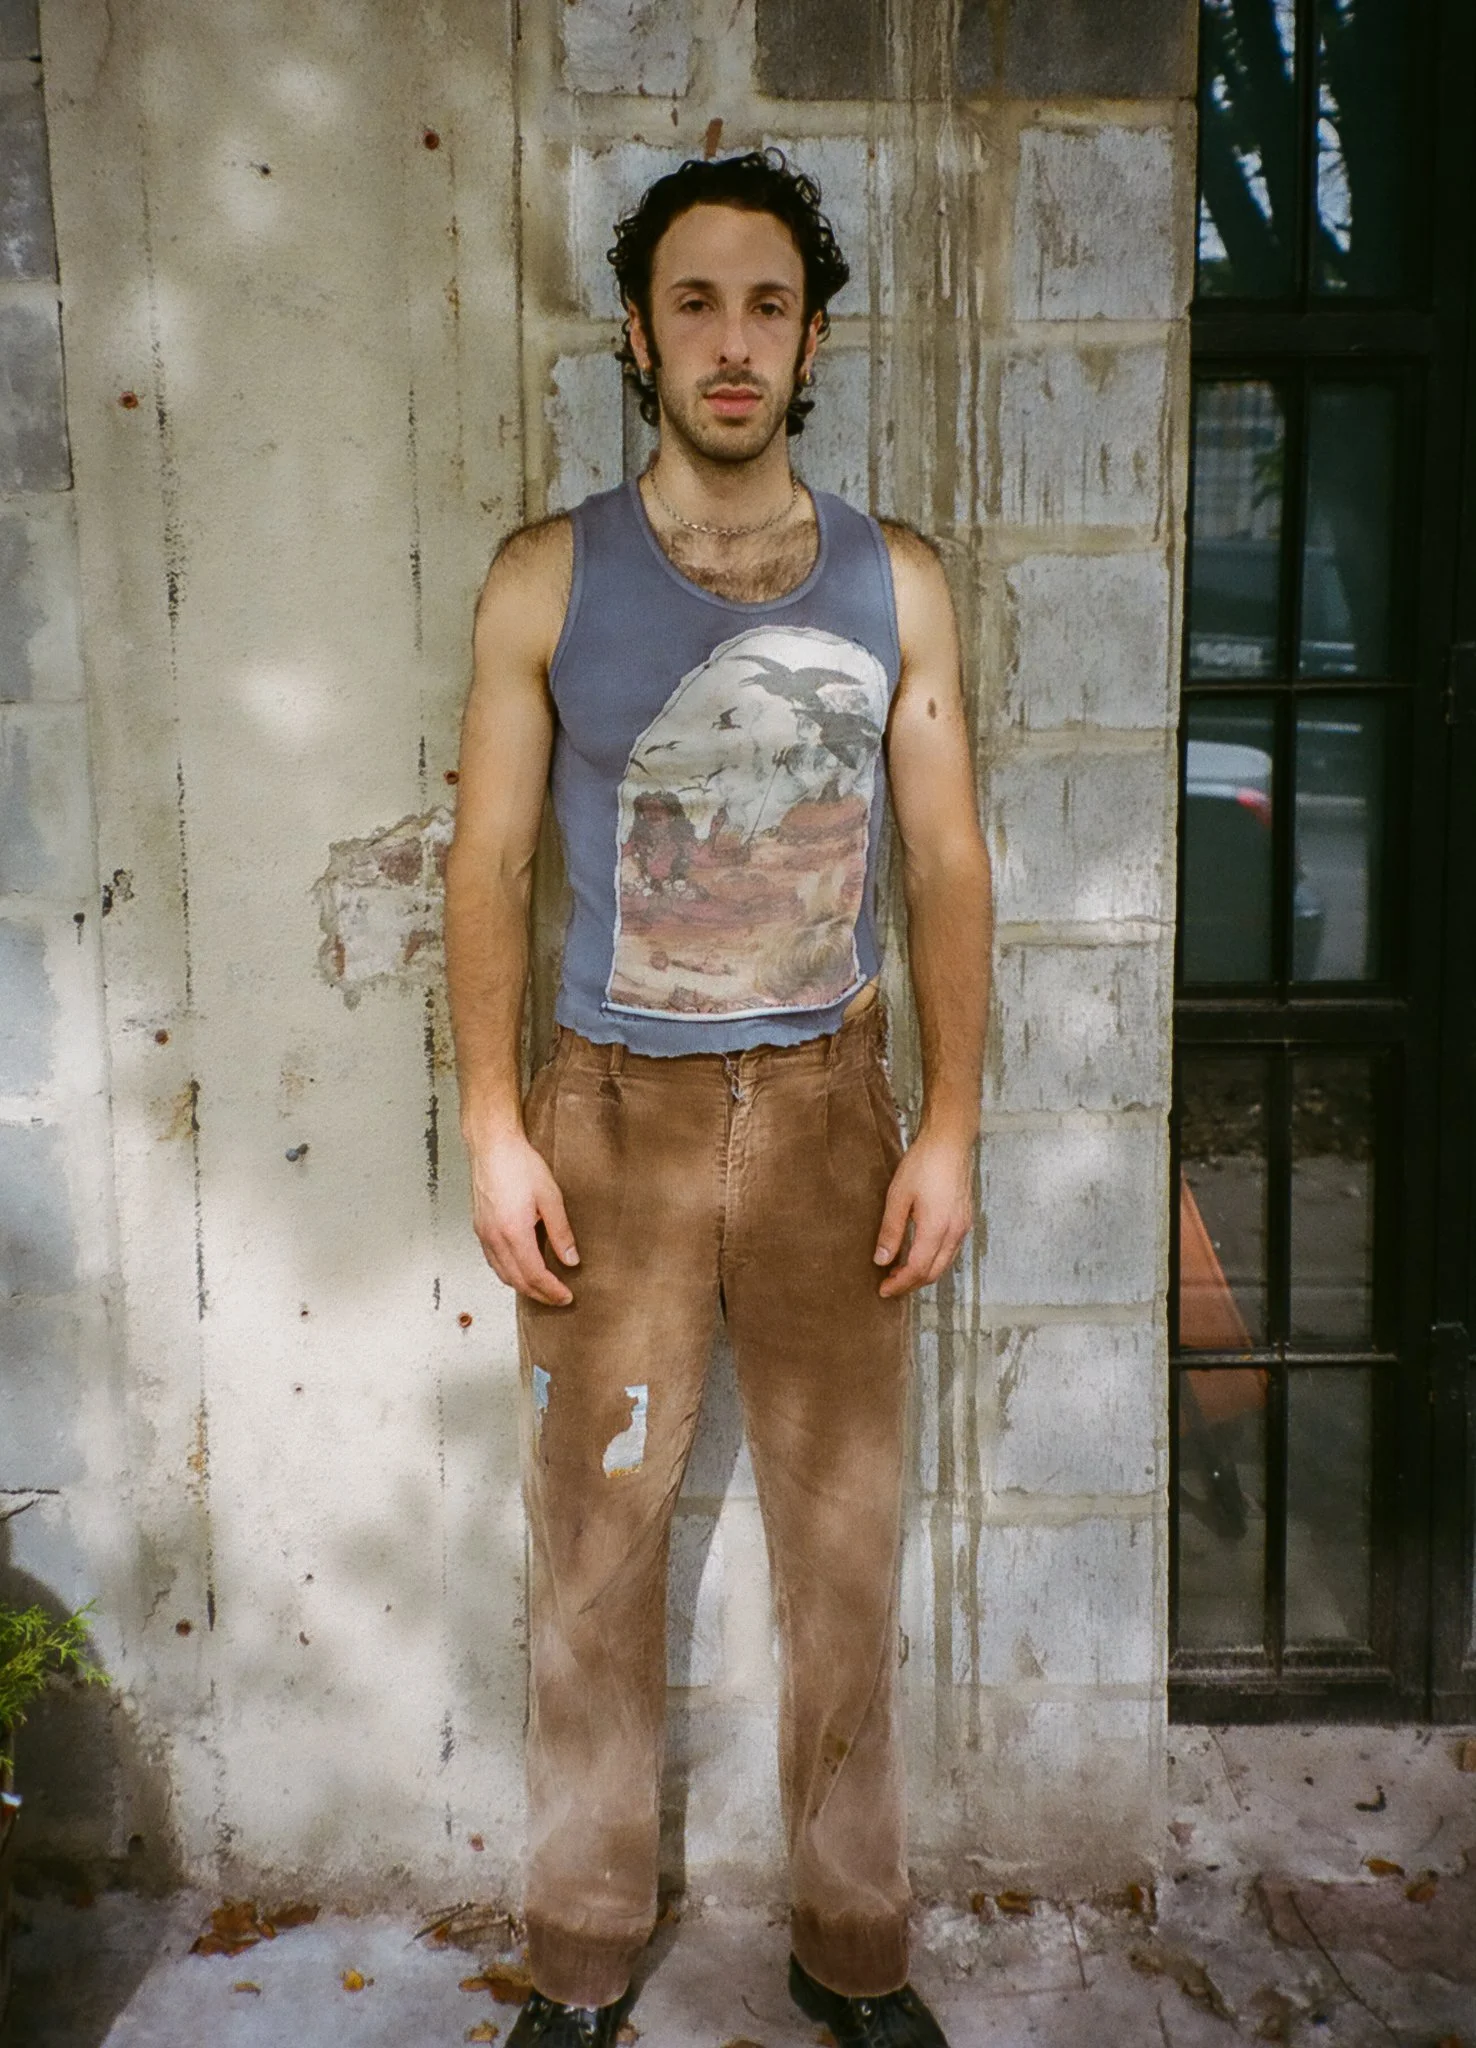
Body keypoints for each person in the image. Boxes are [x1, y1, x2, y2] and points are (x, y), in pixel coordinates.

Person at [445, 149, 992, 2048]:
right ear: (639, 330)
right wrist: (497, 1128)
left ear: (815, 338)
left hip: (838, 1115)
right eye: (698, 301)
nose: (733, 340)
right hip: (614, 1126)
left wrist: (949, 1127)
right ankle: (583, 1960)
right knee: (592, 1560)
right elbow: (487, 858)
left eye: (769, 304)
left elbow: (947, 866)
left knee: (842, 1555)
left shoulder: (892, 577)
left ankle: (855, 1955)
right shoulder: (547, 574)